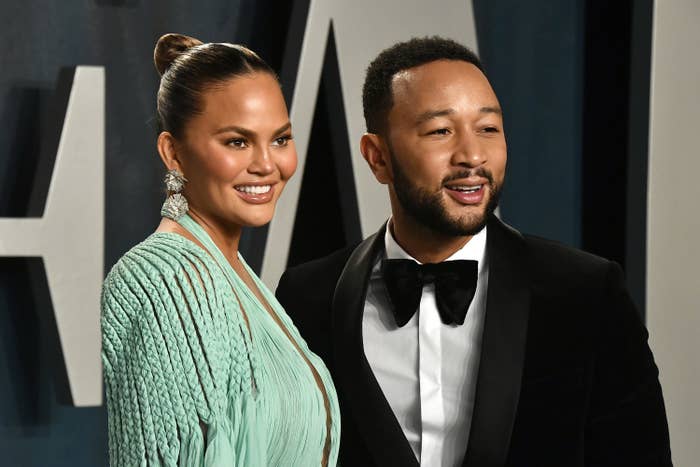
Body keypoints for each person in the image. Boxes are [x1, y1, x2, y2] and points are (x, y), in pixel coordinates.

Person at [275, 37, 672, 467]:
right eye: (440, 131)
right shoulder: (307, 297)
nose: (472, 156)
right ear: (378, 158)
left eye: (488, 128)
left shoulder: (586, 292)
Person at [101, 33, 339, 466]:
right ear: (173, 153)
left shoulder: (233, 273)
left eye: (281, 139)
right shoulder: (170, 280)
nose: (267, 164)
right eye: (237, 142)